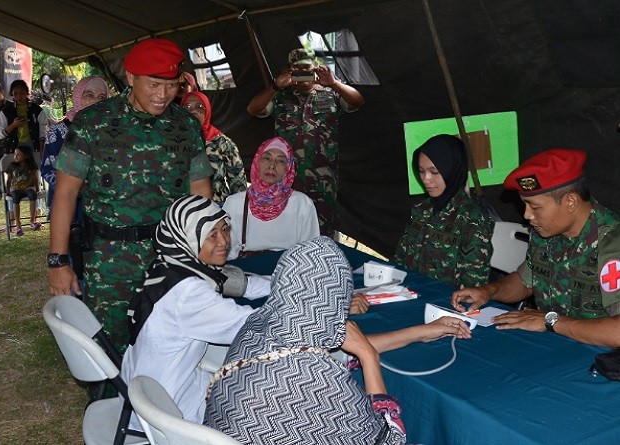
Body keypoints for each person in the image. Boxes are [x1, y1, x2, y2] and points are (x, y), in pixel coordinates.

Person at [47, 38, 213, 352]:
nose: (163, 96)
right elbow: (66, 193)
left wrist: (204, 250)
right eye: (154, 85)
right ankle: (111, 402)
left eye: (171, 86)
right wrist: (58, 261)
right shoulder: (93, 124)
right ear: (130, 77)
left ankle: (155, 403)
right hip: (110, 261)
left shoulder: (186, 127)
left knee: (170, 343)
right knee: (110, 348)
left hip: (170, 257)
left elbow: (200, 193)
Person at [204, 237, 407, 445]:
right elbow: (392, 440)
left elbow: (329, 351)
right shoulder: (320, 381)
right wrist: (369, 356)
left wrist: (420, 332)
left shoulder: (254, 328)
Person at [121, 194, 270, 427]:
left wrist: (291, 282)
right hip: (166, 409)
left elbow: (243, 284)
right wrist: (324, 307)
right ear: (188, 237)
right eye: (212, 235)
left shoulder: (169, 263)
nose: (223, 241)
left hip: (144, 389)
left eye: (225, 229)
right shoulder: (190, 292)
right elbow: (255, 325)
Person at [451, 149, 620, 347]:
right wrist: (489, 291)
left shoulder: (611, 243)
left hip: (598, 356)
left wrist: (550, 321)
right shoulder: (545, 232)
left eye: (535, 207)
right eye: (525, 205)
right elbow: (526, 281)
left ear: (571, 202)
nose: (527, 215)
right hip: (554, 344)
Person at [247, 48, 365, 237]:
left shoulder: (329, 94)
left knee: (322, 234)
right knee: (286, 232)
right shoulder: (279, 97)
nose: (302, 76)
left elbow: (358, 101)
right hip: (287, 182)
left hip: (322, 181)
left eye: (306, 70)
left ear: (316, 70)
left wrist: (334, 83)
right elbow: (253, 109)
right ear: (290, 72)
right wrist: (275, 86)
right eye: (297, 71)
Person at [393, 134, 494, 288]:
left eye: (434, 172)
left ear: (452, 170)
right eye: (421, 171)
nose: (426, 179)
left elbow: (472, 288)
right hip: (409, 293)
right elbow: (399, 261)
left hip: (445, 304)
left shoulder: (472, 218)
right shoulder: (420, 211)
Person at [223, 136, 318, 259]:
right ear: (257, 162)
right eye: (267, 158)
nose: (272, 165)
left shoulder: (302, 204)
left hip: (288, 273)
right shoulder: (235, 203)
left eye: (280, 161)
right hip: (246, 272)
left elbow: (310, 252)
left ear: (288, 168)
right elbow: (225, 252)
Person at [41, 75, 110, 215]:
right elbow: (47, 169)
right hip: (69, 209)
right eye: (89, 95)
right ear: (78, 97)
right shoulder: (60, 131)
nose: (96, 101)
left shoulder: (111, 132)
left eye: (102, 97)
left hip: (103, 211)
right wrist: (74, 190)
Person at [181, 90, 247, 204]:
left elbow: (238, 184)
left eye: (199, 106)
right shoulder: (173, 140)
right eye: (187, 107)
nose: (193, 111)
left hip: (217, 208)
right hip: (182, 210)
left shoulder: (222, 142)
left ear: (207, 111)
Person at [0, 79, 48, 164]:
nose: (19, 96)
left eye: (22, 93)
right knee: (16, 173)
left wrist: (41, 147)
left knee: (33, 172)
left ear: (27, 93)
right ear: (12, 94)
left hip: (33, 146)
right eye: (15, 94)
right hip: (13, 147)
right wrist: (13, 125)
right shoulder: (6, 111)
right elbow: (0, 135)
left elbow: (43, 129)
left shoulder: (36, 109)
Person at [5, 144, 42, 237]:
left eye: (18, 154)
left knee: (32, 195)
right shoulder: (12, 165)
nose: (15, 156)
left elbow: (35, 178)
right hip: (16, 188)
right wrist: (7, 190)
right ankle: (18, 225)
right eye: (15, 154)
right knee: (15, 197)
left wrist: (37, 188)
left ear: (26, 155)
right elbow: (9, 179)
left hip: (28, 187)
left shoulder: (31, 166)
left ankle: (32, 220)